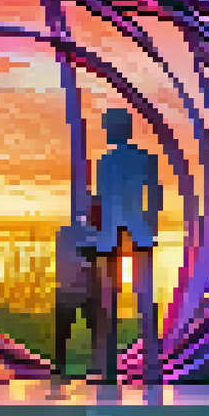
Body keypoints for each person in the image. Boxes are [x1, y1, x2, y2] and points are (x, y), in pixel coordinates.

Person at [93, 107, 163, 385]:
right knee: (136, 298)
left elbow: (103, 200)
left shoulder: (110, 161)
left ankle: (119, 371)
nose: (107, 132)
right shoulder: (132, 159)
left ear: (117, 129)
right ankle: (147, 369)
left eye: (108, 127)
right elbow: (153, 194)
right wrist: (150, 225)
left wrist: (149, 225)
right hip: (129, 232)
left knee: (118, 300)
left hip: (118, 233)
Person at [52, 198, 103, 381]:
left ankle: (96, 370)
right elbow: (66, 258)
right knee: (64, 333)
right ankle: (60, 370)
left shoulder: (97, 234)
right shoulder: (70, 233)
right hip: (70, 290)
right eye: (96, 212)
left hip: (88, 291)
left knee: (96, 332)